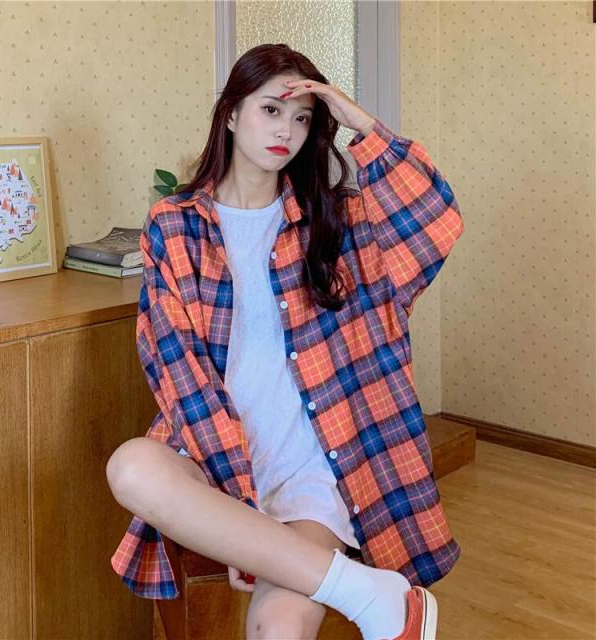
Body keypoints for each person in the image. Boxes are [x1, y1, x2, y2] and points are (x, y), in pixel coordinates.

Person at [106, 43, 464, 640]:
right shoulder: (175, 224)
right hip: (215, 459)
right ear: (231, 113)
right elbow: (175, 365)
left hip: (313, 465)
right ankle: (375, 596)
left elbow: (435, 218)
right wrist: (238, 514)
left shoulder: (340, 224)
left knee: (278, 627)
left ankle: (369, 596)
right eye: (271, 110)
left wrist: (358, 122)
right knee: (131, 467)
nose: (286, 131)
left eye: (301, 118)